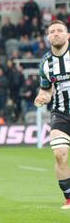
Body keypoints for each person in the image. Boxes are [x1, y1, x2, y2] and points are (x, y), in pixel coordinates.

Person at [34, 20, 70, 210]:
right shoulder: (45, 63)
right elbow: (46, 91)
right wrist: (42, 97)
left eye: (59, 31)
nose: (56, 34)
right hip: (61, 114)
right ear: (48, 37)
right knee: (59, 153)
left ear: (67, 35)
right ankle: (69, 197)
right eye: (52, 31)